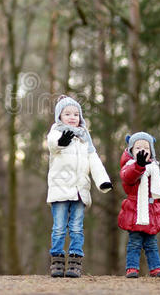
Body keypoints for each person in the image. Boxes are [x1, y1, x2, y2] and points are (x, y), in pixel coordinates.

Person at [46, 95, 113, 278]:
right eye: (67, 113)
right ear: (59, 116)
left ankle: (75, 262)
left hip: (79, 191)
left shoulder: (85, 139)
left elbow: (94, 160)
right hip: (59, 189)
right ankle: (57, 261)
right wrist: (61, 143)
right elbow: (52, 144)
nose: (72, 117)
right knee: (59, 227)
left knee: (76, 227)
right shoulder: (56, 132)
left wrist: (102, 181)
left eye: (76, 114)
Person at [117, 132, 160, 278]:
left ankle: (156, 269)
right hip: (135, 211)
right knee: (134, 243)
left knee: (152, 244)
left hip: (152, 211)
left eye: (146, 147)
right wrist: (139, 166)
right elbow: (128, 178)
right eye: (138, 147)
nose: (142, 150)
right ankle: (132, 268)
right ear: (131, 150)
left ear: (151, 151)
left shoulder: (155, 170)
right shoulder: (129, 167)